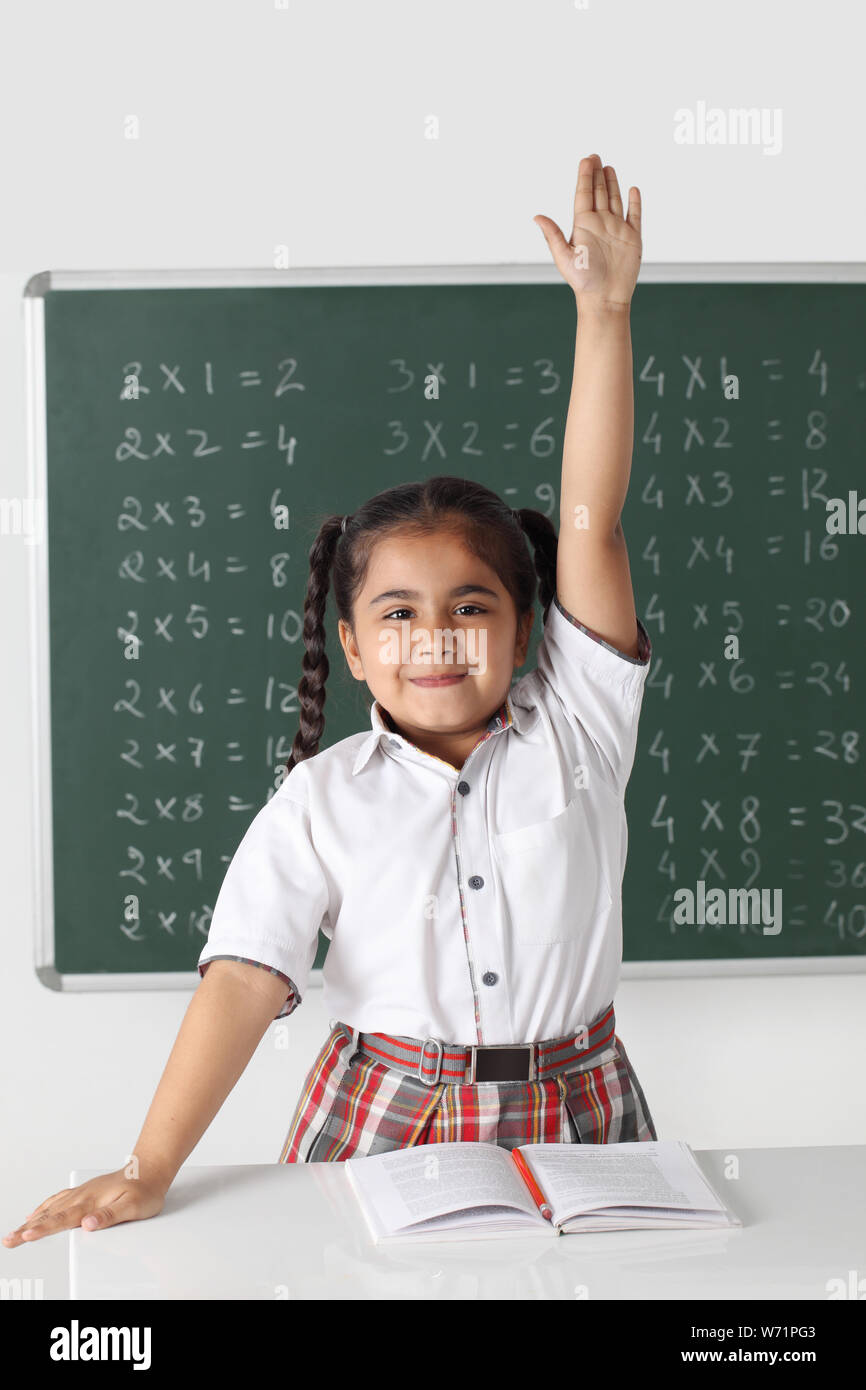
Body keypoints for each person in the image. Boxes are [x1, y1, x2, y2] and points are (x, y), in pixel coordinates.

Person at [4, 152, 655, 1246]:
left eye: (470, 604)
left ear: (527, 628)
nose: (433, 635)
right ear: (350, 645)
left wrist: (603, 312)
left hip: (581, 1113)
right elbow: (243, 982)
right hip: (383, 1114)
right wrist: (147, 1167)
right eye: (396, 613)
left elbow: (587, 521)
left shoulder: (580, 726)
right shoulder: (318, 800)